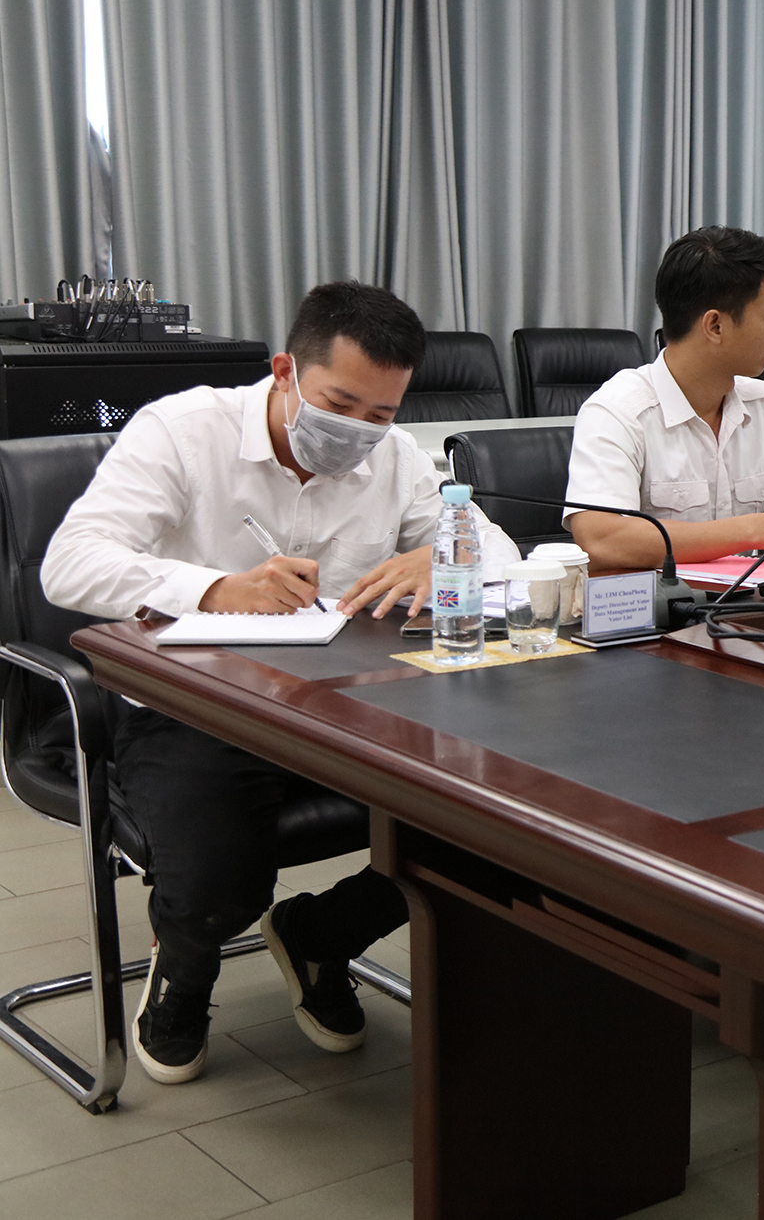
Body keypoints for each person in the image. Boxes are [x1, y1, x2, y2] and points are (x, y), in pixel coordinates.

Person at [42, 281, 521, 1085]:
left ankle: (319, 935)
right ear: (284, 371)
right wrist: (215, 587)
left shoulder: (395, 458)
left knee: (497, 827)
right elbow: (69, 563)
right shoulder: (183, 431)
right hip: (197, 703)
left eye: (381, 413)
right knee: (220, 886)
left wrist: (446, 557)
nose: (359, 430)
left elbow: (498, 549)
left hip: (351, 702)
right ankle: (183, 971)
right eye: (340, 405)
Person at [565, 227, 764, 566]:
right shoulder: (618, 411)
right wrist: (759, 530)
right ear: (715, 326)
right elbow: (601, 539)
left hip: (756, 596)